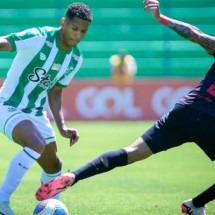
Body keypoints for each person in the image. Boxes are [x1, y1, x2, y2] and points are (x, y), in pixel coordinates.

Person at [35, 0, 215, 214]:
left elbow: (195, 34)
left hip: (184, 110)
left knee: (131, 152)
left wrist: (162, 18)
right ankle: (195, 204)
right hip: (210, 121)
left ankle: (75, 176)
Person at [0, 2, 93, 215]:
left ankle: (50, 208)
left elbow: (56, 92)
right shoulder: (39, 36)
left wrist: (61, 126)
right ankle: (1, 202)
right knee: (36, 143)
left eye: (83, 31)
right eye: (74, 28)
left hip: (35, 113)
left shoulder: (75, 59)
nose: (78, 35)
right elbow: (4, 42)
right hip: (7, 105)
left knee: (54, 166)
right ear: (63, 23)